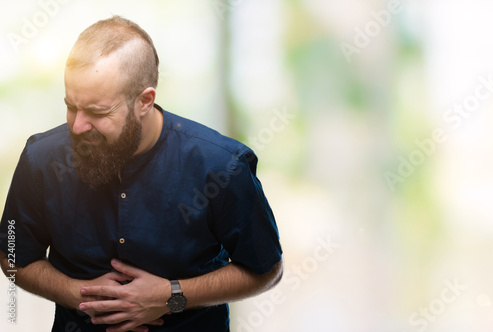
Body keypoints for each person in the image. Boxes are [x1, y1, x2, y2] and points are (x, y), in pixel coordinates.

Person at [0, 16, 283, 332]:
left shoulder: (223, 166)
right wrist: (79, 294)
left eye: (97, 111)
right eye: (71, 106)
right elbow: (13, 257)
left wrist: (173, 295)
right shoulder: (39, 159)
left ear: (145, 101)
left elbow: (266, 268)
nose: (77, 126)